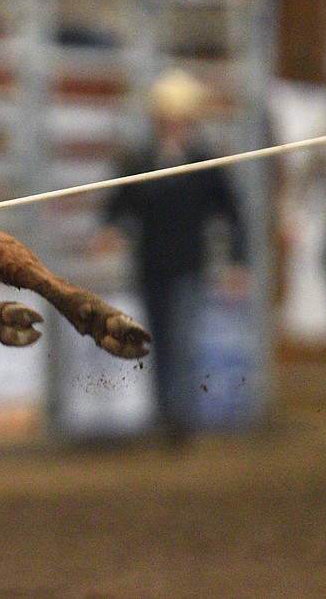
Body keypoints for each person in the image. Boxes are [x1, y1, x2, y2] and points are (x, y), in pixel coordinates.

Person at [97, 69, 247, 445]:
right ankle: (165, 415)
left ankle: (179, 418)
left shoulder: (204, 161)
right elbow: (117, 204)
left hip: (189, 266)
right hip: (151, 265)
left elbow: (232, 213)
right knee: (157, 341)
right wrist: (111, 229)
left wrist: (238, 262)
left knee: (181, 339)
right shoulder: (139, 159)